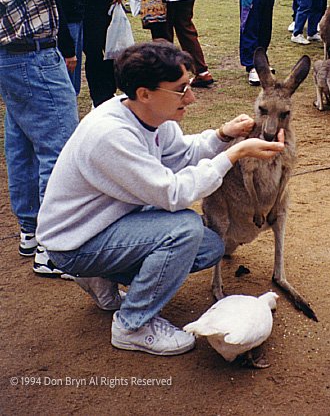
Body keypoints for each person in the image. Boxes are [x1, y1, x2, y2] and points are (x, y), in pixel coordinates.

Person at [35, 41, 285, 356]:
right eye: (181, 90)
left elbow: (182, 154)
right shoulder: (111, 135)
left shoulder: (149, 116)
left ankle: (101, 276)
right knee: (184, 230)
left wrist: (222, 136)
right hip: (74, 242)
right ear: (145, 93)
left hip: (106, 225)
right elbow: (173, 193)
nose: (191, 98)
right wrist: (234, 154)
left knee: (208, 245)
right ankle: (132, 325)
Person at [0, 0, 80, 274]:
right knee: (59, 149)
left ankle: (31, 230)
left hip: (12, 58)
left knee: (22, 145)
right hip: (32, 55)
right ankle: (54, 246)